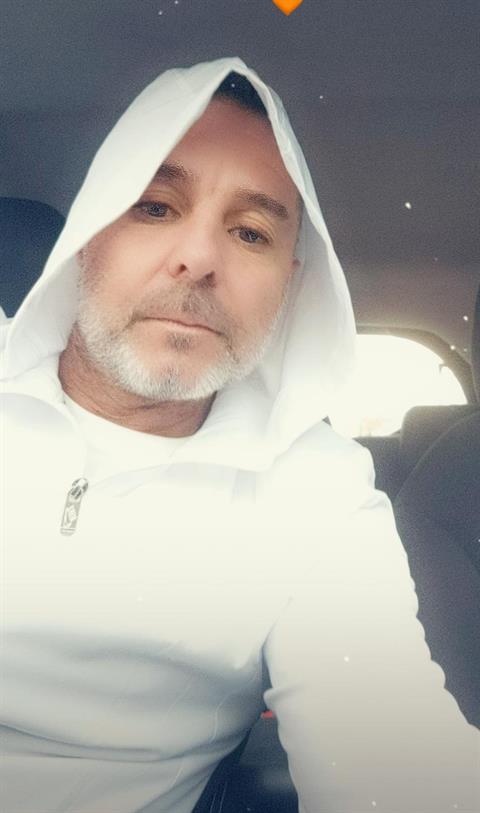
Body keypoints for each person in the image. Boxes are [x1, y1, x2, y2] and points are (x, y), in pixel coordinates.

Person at [1, 57, 478, 813]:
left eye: (251, 232)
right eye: (155, 207)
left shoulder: (315, 494)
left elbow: (393, 760)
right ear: (88, 237)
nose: (198, 258)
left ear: (288, 288)